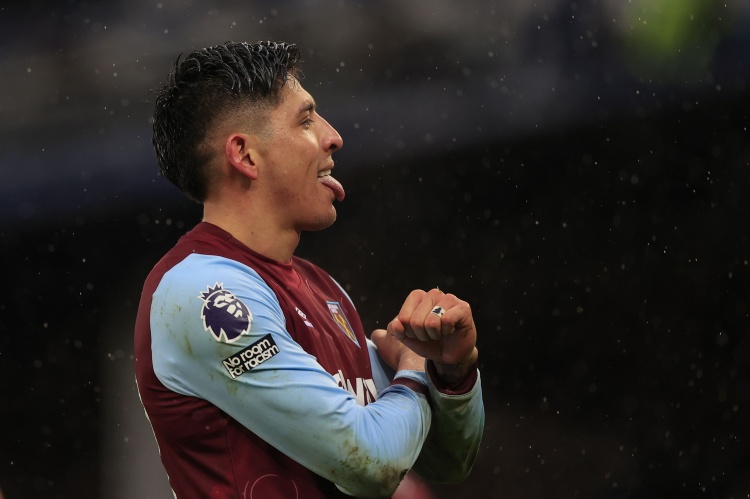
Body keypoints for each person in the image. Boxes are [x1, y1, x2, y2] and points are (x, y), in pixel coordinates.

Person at [134, 40, 484, 499]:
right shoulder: (203, 292)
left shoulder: (324, 290)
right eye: (305, 120)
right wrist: (416, 364)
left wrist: (451, 374)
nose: (333, 136)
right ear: (245, 156)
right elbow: (374, 463)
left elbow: (445, 461)